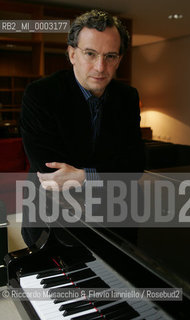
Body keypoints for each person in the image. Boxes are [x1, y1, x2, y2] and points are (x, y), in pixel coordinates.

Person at [20, 9, 144, 247]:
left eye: (110, 56)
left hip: (114, 222)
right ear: (72, 54)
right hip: (51, 221)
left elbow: (134, 165)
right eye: (90, 53)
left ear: (119, 59)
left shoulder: (127, 97)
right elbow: (51, 173)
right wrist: (105, 174)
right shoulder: (40, 94)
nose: (100, 67)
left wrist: (84, 176)